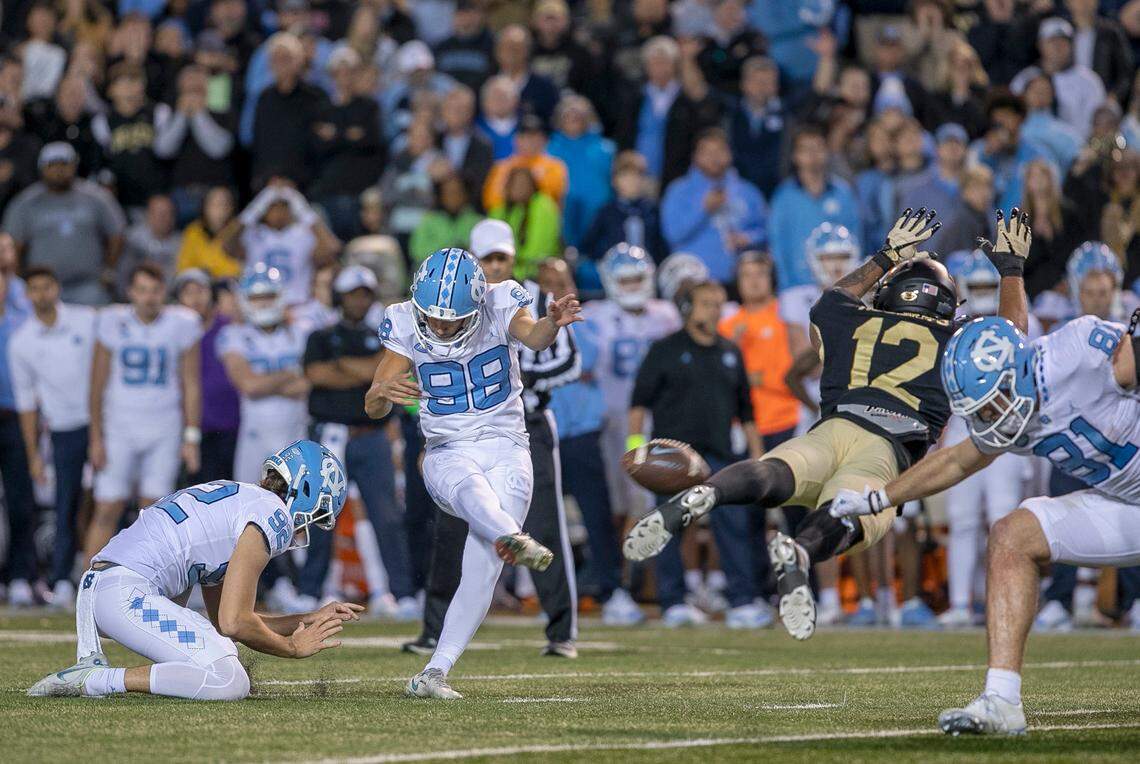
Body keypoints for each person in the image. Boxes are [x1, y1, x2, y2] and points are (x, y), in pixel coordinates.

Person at [624, 208, 1030, 642]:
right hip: (888, 447)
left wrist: (885, 255)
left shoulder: (853, 319)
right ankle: (802, 551)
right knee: (848, 513)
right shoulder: (956, 338)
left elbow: (830, 300)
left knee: (776, 471)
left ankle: (710, 492)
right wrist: (1011, 270)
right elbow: (1011, 340)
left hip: (834, 428)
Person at [828, 260, 1140, 735]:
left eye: (992, 402)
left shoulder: (1079, 351)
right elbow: (954, 461)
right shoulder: (1006, 408)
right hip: (1126, 505)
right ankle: (1001, 701)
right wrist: (877, 499)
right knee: (1011, 536)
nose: (989, 417)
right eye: (980, 409)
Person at [366, 247, 577, 698]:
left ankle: (434, 672)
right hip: (447, 448)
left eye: (451, 318)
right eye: (432, 317)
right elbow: (373, 401)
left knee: (482, 570)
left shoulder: (501, 300)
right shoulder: (403, 320)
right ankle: (509, 533)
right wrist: (383, 391)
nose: (439, 326)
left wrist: (551, 323)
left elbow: (534, 337)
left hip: (508, 445)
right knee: (471, 490)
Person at [27, 440, 361, 701]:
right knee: (229, 679)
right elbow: (235, 621)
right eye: (315, 516)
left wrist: (308, 619)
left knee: (220, 653)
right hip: (124, 592)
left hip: (105, 589)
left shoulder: (244, 502)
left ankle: (95, 676)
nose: (306, 529)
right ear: (304, 494)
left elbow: (228, 622)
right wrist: (291, 647)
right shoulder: (271, 515)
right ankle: (96, 680)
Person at [297, 265, 417, 619]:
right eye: (353, 293)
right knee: (319, 514)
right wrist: (368, 371)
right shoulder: (320, 336)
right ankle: (309, 591)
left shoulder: (384, 337)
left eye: (365, 293)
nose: (359, 300)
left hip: (371, 435)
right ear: (340, 296)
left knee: (387, 515)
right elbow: (316, 374)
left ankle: (403, 593)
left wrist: (348, 367)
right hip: (330, 433)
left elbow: (384, 371)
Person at [937, 249, 1032, 629]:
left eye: (987, 286)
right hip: (963, 425)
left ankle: (1003, 603)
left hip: (1009, 428)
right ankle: (961, 602)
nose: (980, 292)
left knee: (1003, 520)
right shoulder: (952, 322)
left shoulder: (1021, 319)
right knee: (961, 520)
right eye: (973, 285)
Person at [85, 263, 203, 569]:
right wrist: (95, 437)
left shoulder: (182, 323)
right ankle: (87, 582)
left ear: (163, 292)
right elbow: (96, 384)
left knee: (155, 513)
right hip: (120, 427)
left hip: (164, 427)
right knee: (108, 506)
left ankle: (150, 583)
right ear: (130, 293)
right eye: (143, 291)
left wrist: (191, 436)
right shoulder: (111, 321)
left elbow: (191, 382)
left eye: (155, 291)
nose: (149, 298)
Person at [10, 266, 97, 608]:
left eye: (46, 286)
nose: (41, 294)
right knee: (66, 502)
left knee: (109, 500)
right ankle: (61, 578)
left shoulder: (85, 320)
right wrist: (33, 454)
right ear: (27, 294)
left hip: (104, 421)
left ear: (57, 287)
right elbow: (27, 404)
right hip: (63, 429)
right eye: (34, 289)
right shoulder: (22, 342)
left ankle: (110, 569)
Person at [218, 265, 310, 487]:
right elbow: (249, 385)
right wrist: (290, 374)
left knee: (300, 506)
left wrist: (265, 382)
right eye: (257, 297)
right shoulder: (233, 335)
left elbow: (308, 385)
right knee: (250, 503)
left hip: (296, 433)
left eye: (269, 296)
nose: (264, 303)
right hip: (254, 436)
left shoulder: (301, 333)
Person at [2, 142, 125, 306]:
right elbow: (12, 246)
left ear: (75, 165)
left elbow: (117, 234)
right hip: (41, 288)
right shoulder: (25, 203)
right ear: (41, 168)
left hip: (88, 286)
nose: (59, 170)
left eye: (64, 164)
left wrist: (109, 270)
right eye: (52, 165)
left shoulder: (96, 197)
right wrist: (20, 284)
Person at [660, 127, 767, 284]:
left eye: (720, 151)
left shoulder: (748, 191)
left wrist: (748, 238)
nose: (714, 157)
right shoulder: (679, 191)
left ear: (730, 154)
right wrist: (703, 209)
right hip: (692, 283)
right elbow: (672, 234)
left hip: (737, 282)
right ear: (695, 156)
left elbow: (767, 230)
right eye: (707, 152)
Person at [222, 183, 341, 306]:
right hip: (259, 306)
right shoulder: (253, 234)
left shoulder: (304, 235)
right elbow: (225, 246)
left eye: (284, 205)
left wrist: (303, 209)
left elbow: (333, 249)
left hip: (297, 307)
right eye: (273, 205)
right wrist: (254, 209)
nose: (278, 212)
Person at [174, 269, 240, 485]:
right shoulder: (171, 332)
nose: (195, 298)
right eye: (188, 292)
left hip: (231, 424)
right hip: (191, 428)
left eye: (200, 290)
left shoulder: (230, 327)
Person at [488, 166, 561, 281]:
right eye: (515, 184)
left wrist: (510, 272)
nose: (519, 188)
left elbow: (538, 252)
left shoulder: (543, 205)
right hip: (510, 274)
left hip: (536, 275)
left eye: (523, 184)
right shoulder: (505, 210)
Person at [176, 186, 242, 278]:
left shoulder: (239, 230)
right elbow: (183, 269)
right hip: (200, 286)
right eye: (214, 204)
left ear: (231, 207)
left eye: (224, 204)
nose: (220, 209)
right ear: (204, 207)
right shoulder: (193, 231)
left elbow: (239, 269)